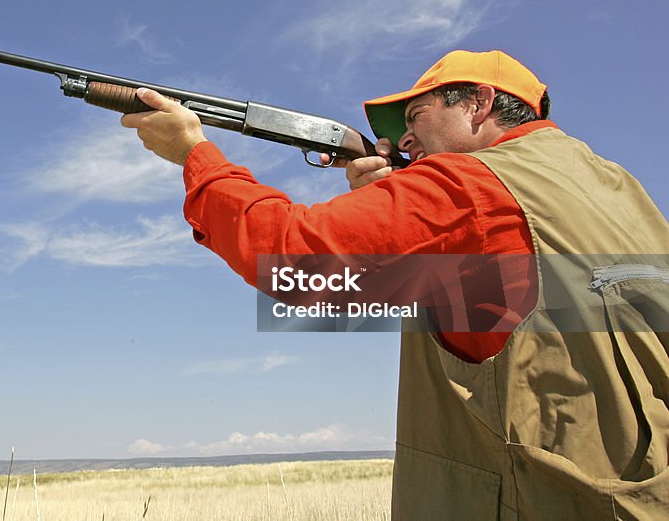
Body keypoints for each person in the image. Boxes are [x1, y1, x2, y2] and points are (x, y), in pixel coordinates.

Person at [121, 50, 669, 519]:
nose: (403, 137)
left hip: (536, 501)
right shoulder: (618, 186)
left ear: (478, 103)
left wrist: (196, 155)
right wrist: (389, 196)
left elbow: (292, 259)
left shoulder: (470, 184)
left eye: (417, 114)